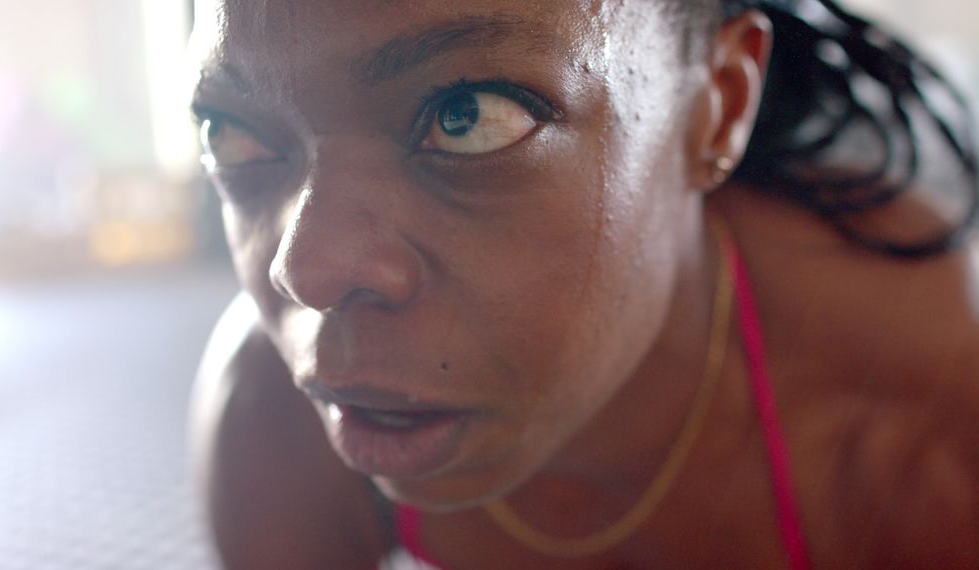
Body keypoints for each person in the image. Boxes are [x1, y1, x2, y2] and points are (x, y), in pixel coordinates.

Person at [187, 0, 979, 567]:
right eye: (235, 133)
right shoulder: (270, 406)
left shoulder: (934, 407)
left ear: (717, 106)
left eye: (469, 114)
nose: (308, 273)